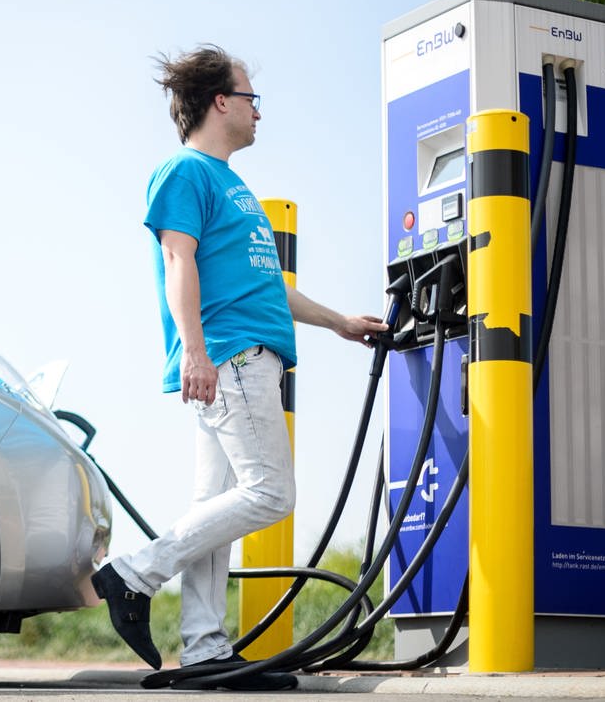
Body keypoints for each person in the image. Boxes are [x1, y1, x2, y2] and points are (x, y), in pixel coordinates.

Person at [90, 45, 388, 692]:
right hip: (231, 357)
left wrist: (340, 323)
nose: (259, 112)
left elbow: (268, 287)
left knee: (214, 506)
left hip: (241, 354)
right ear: (221, 102)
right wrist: (195, 350)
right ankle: (135, 573)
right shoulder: (184, 172)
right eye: (251, 98)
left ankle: (204, 649)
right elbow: (178, 263)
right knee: (271, 494)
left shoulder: (235, 187)